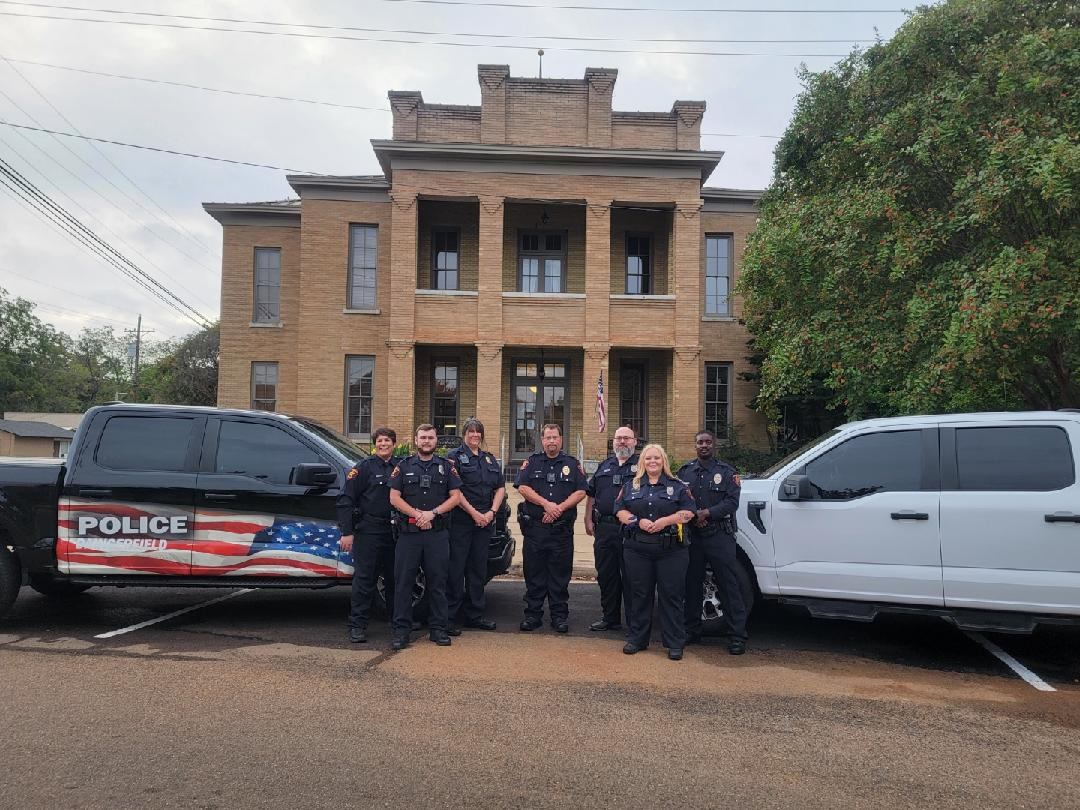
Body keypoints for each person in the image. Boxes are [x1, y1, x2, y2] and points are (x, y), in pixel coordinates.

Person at [616, 443, 696, 661]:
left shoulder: (678, 486)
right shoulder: (630, 485)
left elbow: (689, 512)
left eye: (657, 459)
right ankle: (637, 639)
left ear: (664, 462)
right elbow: (619, 510)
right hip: (637, 550)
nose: (652, 462)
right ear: (642, 462)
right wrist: (637, 520)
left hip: (671, 551)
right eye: (648, 458)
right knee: (640, 595)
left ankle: (674, 643)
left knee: (671, 596)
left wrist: (665, 521)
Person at [387, 424, 461, 650]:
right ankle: (401, 630)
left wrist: (432, 513)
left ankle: (438, 628)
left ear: (436, 441)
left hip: (437, 534)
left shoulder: (447, 468)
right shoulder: (403, 466)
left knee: (438, 582)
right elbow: (394, 497)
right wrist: (417, 514)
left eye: (430, 438)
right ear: (416, 441)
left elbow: (456, 497)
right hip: (409, 535)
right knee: (403, 584)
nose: (427, 441)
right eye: (423, 438)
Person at [678, 429, 748, 655]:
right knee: (692, 584)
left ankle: (737, 635)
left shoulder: (727, 473)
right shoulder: (685, 472)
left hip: (719, 536)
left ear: (714, 445)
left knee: (729, 585)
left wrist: (705, 513)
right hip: (694, 537)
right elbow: (679, 499)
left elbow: (731, 503)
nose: (704, 446)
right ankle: (692, 630)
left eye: (708, 442)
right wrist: (692, 515)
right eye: (700, 442)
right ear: (695, 445)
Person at [514, 423, 587, 633]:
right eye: (548, 438)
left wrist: (559, 508)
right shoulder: (532, 462)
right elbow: (523, 487)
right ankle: (533, 615)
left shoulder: (572, 464)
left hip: (561, 531)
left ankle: (559, 616)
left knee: (560, 575)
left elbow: (581, 490)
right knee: (534, 574)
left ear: (561, 439)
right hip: (536, 530)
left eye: (555, 437)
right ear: (542, 440)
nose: (552, 441)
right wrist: (546, 505)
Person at [336, 426, 399, 644]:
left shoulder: (399, 467)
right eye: (380, 441)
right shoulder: (363, 468)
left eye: (387, 441)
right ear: (375, 444)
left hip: (393, 531)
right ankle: (357, 625)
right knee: (365, 579)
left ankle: (396, 620)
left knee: (394, 579)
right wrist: (347, 532)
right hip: (369, 531)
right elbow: (345, 500)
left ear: (394, 444)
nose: (383, 444)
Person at [445, 418, 504, 634]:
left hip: (484, 522)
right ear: (464, 434)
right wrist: (475, 514)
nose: (475, 436)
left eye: (478, 432)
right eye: (471, 432)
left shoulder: (488, 460)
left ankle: (475, 615)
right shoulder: (454, 458)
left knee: (478, 569)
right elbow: (455, 492)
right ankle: (450, 617)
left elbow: (500, 488)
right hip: (462, 521)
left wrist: (491, 512)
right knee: (456, 569)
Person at [584, 425, 639, 632]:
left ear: (634, 441)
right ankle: (610, 618)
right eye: (618, 438)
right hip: (604, 528)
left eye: (626, 438)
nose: (622, 442)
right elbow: (591, 493)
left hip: (630, 530)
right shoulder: (604, 466)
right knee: (607, 575)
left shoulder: (642, 465)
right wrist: (587, 518)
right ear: (613, 442)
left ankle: (635, 623)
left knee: (632, 577)